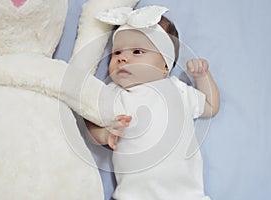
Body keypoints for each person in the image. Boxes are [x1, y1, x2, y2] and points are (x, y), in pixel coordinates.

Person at [85, 6, 220, 200]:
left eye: (137, 51)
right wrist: (105, 134)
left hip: (186, 195)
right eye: (116, 53)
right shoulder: (115, 94)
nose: (123, 58)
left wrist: (203, 77)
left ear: (165, 65)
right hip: (132, 195)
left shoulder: (177, 89)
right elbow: (92, 123)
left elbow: (210, 105)